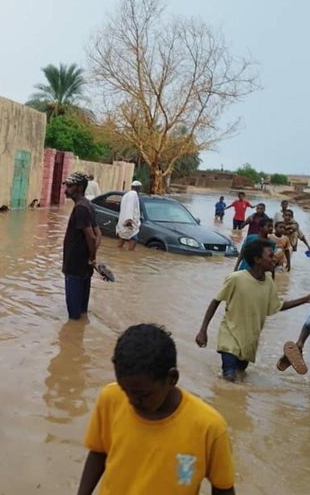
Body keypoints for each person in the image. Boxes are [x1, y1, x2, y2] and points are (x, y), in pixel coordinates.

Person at [78, 324, 236, 495]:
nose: (131, 400)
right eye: (125, 390)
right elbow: (98, 453)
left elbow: (223, 489)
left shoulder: (209, 427)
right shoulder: (111, 398)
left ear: (172, 378)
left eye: (143, 394)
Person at [196, 239, 310, 381]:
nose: (275, 258)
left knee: (240, 376)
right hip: (229, 336)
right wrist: (203, 330)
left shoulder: (269, 283)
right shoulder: (236, 278)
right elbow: (216, 301)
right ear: (257, 259)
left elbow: (277, 306)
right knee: (229, 377)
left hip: (250, 341)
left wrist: (305, 299)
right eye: (270, 255)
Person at [62, 172, 102, 321]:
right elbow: (99, 235)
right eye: (67, 185)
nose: (66, 189)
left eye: (70, 186)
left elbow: (92, 237)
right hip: (84, 267)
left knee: (74, 317)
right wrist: (91, 260)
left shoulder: (81, 208)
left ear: (79, 187)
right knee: (82, 313)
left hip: (75, 266)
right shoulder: (88, 205)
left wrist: (92, 258)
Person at [116, 180, 142, 250]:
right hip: (130, 222)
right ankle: (130, 254)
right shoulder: (133, 195)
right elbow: (129, 208)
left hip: (122, 221)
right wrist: (129, 221)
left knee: (122, 237)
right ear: (138, 188)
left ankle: (118, 252)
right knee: (133, 239)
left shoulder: (126, 195)